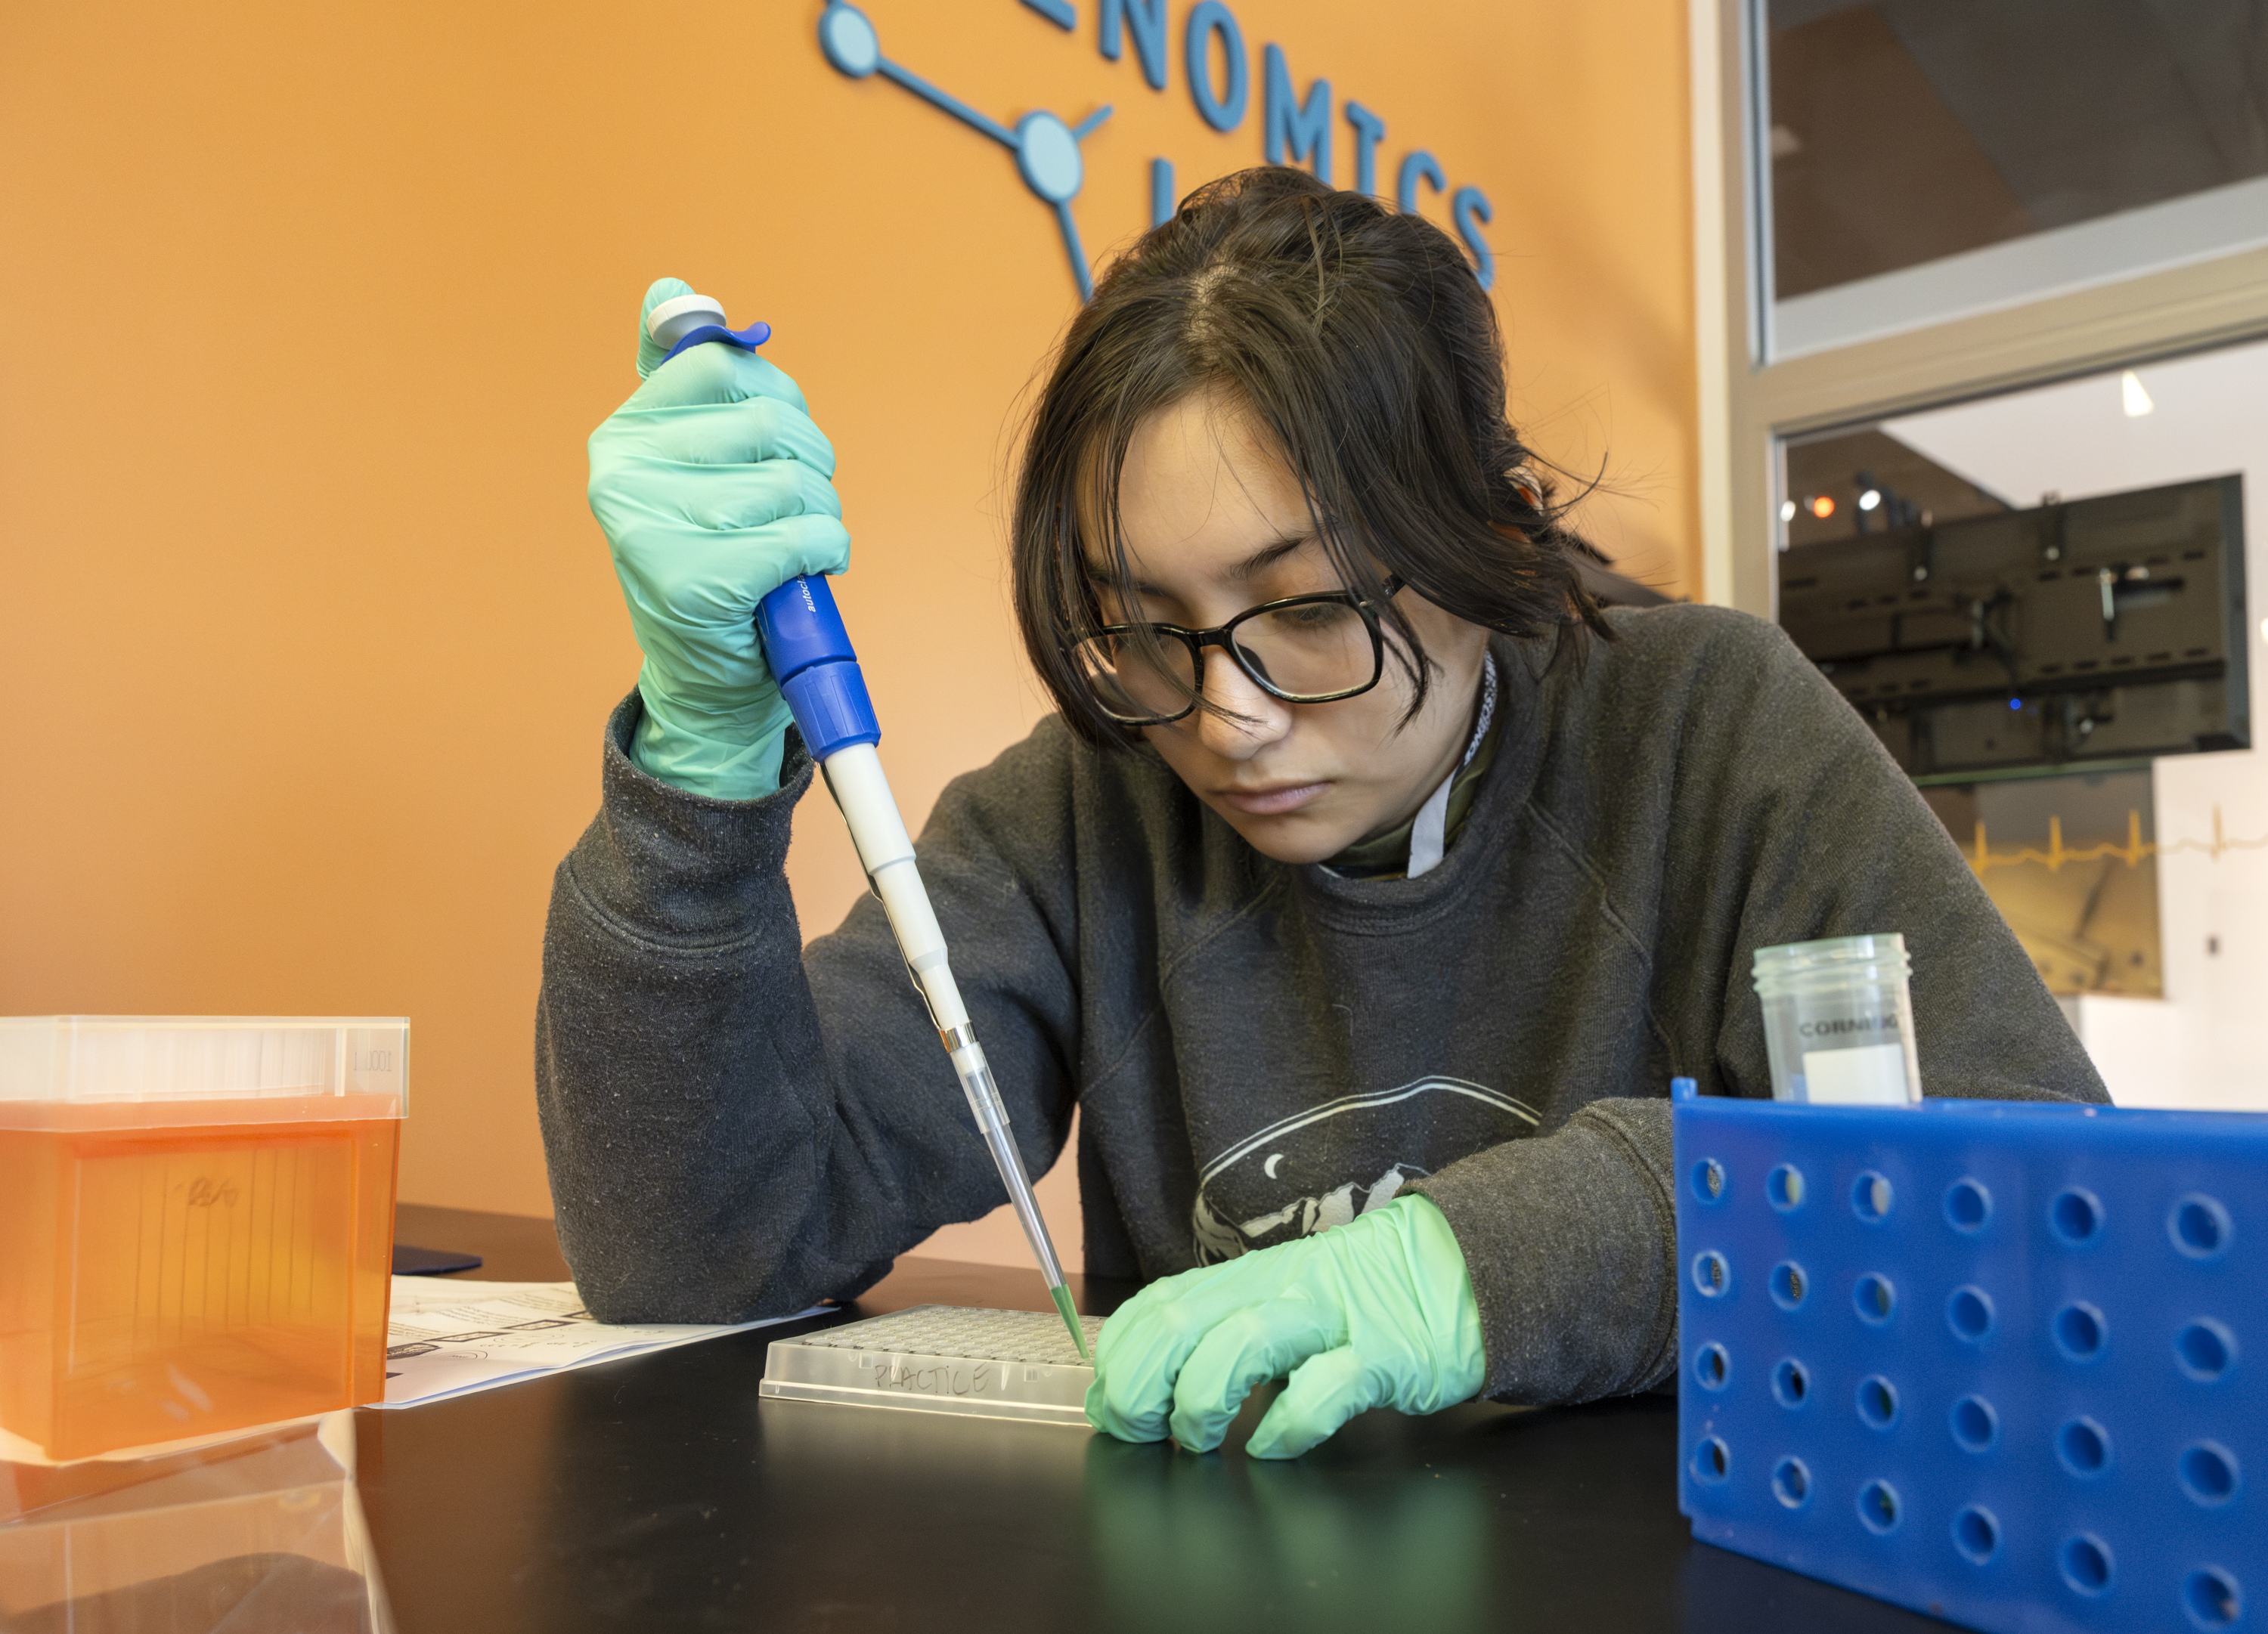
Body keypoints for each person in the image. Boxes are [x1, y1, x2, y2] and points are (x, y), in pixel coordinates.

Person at [538, 167, 2105, 1460]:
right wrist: (701, 765)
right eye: (1145, 622)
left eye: (1306, 608)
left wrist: (1509, 1256)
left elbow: (2043, 1199)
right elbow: (700, 1246)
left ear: (1490, 538)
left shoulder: (1709, 725)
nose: (1227, 720)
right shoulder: (1081, 808)